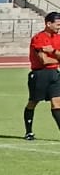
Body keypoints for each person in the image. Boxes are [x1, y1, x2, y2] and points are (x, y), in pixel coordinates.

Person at [25, 11, 60, 139]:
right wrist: (58, 58)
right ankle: (29, 131)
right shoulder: (39, 38)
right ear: (48, 24)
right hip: (40, 74)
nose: (59, 27)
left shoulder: (58, 38)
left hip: (54, 74)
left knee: (57, 103)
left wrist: (53, 51)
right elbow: (44, 60)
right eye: (57, 24)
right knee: (33, 102)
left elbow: (53, 56)